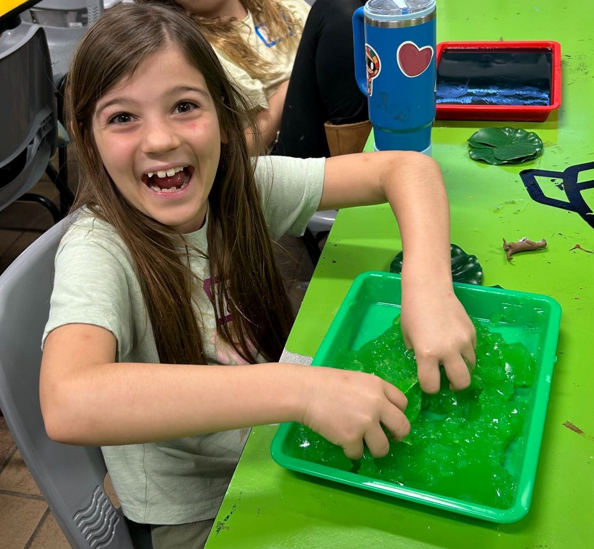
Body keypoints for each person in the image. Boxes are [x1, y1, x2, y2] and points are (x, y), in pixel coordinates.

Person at [40, 3, 475, 548]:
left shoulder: (239, 187)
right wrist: (298, 391)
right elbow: (68, 400)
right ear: (87, 138)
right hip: (205, 512)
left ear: (225, 119)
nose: (160, 140)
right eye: (123, 118)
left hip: (279, 445)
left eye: (184, 106)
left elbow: (408, 168)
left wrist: (428, 287)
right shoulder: (98, 249)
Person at [136, 0, 370, 157]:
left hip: (345, 103)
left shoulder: (278, 4)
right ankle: (358, 162)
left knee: (363, 12)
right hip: (282, 151)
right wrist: (292, 86)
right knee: (337, 7)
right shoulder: (188, 46)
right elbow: (239, 150)